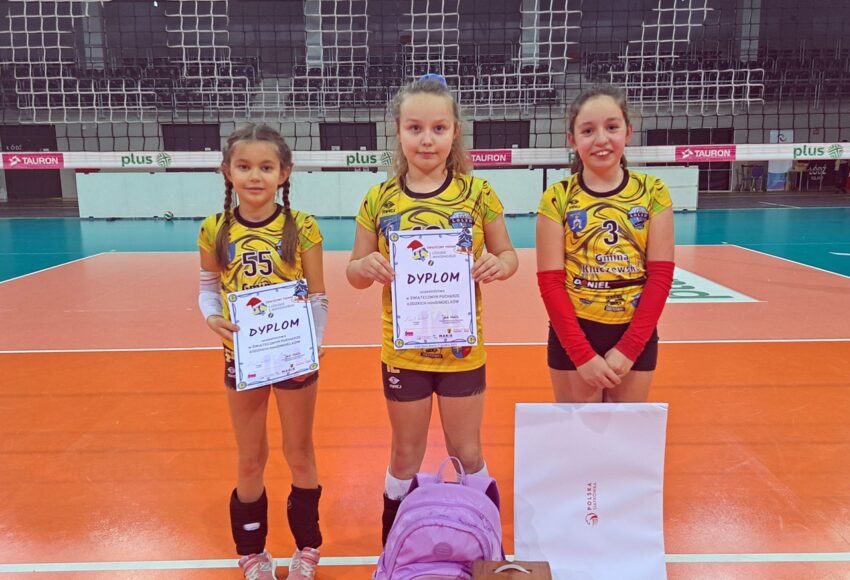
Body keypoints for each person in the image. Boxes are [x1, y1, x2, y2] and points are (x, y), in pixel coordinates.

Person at [345, 74, 518, 545]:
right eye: (415, 128)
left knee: (468, 452)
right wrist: (367, 265)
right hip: (405, 353)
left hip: (462, 350)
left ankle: (484, 545)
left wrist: (498, 265)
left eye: (438, 128)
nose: (427, 139)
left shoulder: (478, 194)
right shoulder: (379, 198)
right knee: (405, 454)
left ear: (454, 132)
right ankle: (393, 550)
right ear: (398, 132)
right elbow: (354, 272)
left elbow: (509, 256)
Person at [197, 123, 328, 580]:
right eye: (245, 166)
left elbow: (318, 297)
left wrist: (313, 344)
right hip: (243, 359)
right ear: (227, 172)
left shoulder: (302, 227)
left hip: (294, 358)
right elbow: (208, 288)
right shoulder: (215, 228)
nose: (255, 176)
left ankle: (307, 547)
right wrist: (212, 318)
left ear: (284, 173)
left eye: (266, 167)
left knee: (299, 452)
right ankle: (251, 552)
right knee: (250, 456)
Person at [536, 84, 675, 403]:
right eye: (588, 131)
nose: (601, 139)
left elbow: (660, 276)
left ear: (628, 132)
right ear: (572, 140)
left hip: (634, 334)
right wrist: (581, 354)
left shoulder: (653, 192)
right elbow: (550, 282)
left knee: (624, 432)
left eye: (611, 127)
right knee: (578, 432)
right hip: (573, 333)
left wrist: (630, 348)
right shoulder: (557, 198)